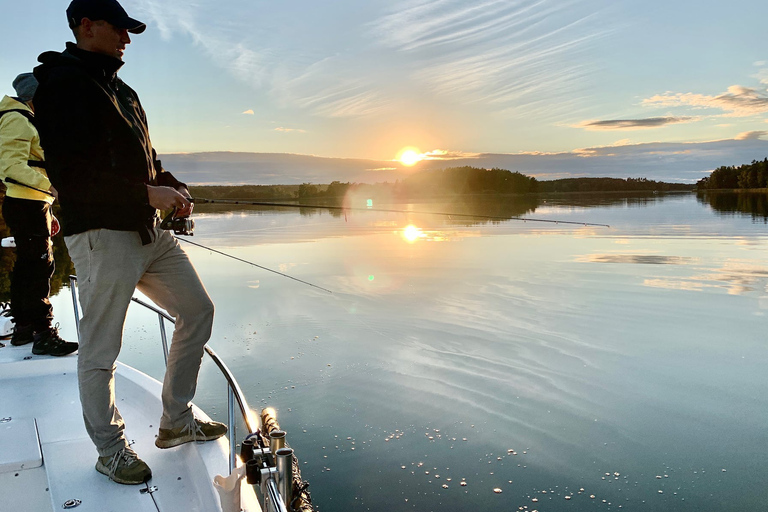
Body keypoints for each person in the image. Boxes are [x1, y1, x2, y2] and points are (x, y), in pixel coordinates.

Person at [33, 0, 226, 485]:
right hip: (99, 235)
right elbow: (71, 176)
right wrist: (147, 192)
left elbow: (148, 160)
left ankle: (175, 422)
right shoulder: (61, 86)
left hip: (148, 231)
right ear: (86, 26)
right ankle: (110, 450)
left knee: (198, 310)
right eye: (119, 28)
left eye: (129, 29)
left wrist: (172, 187)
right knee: (101, 350)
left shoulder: (123, 90)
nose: (127, 37)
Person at [0, 73, 78, 356]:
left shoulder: (23, 118)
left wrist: (48, 205)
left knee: (29, 266)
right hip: (26, 205)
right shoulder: (16, 119)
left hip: (32, 204)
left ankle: (23, 330)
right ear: (36, 98)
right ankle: (44, 334)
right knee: (39, 268)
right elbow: (11, 167)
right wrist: (52, 188)